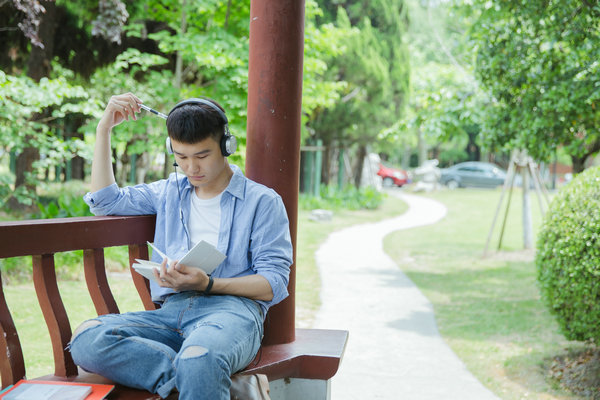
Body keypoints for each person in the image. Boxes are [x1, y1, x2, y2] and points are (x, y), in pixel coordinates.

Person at [69, 93, 293, 400]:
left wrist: (208, 283)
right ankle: (201, 376)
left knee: (200, 357)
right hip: (171, 313)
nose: (191, 168)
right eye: (181, 157)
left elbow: (274, 283)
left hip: (233, 313)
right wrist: (103, 129)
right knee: (87, 338)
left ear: (227, 146)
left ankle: (200, 369)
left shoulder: (262, 202)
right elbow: (105, 202)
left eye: (202, 156)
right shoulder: (168, 192)